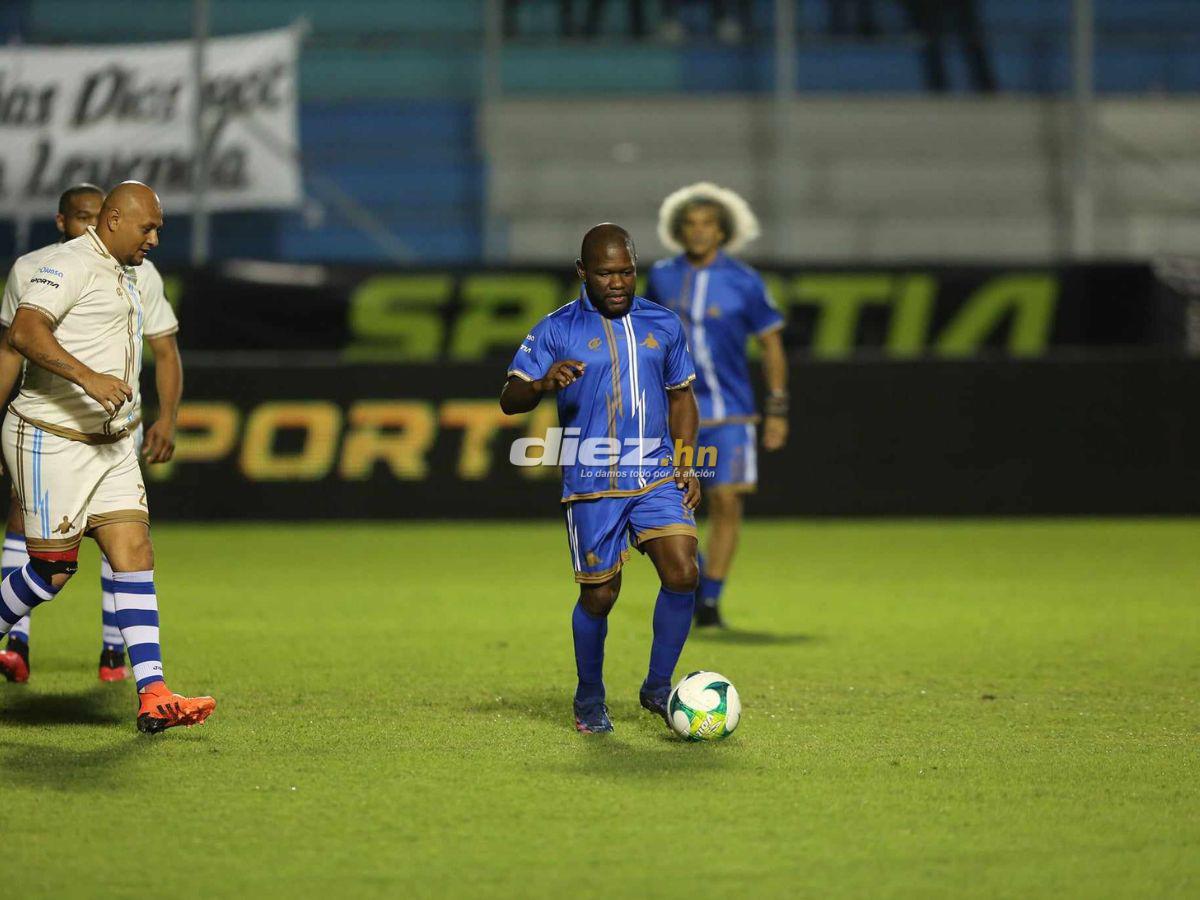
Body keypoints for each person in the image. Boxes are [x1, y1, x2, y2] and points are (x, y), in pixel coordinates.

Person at [0, 181, 213, 733]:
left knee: (134, 549)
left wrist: (156, 413)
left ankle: (154, 691)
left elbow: (162, 349)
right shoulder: (66, 264)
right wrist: (87, 376)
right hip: (52, 437)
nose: (156, 238)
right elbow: (23, 332)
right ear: (113, 220)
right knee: (52, 569)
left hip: (114, 442)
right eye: (148, 227)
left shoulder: (131, 273)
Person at [500, 223, 701, 733]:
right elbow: (510, 397)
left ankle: (658, 688)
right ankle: (589, 696)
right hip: (592, 478)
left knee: (682, 571)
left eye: (627, 272)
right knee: (600, 596)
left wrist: (687, 459)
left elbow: (681, 395)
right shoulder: (557, 329)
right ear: (582, 272)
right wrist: (544, 383)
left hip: (655, 471)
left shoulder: (665, 324)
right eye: (607, 273)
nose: (618, 282)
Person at [646, 182, 789, 628]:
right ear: (680, 230)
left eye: (708, 224)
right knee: (673, 507)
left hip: (731, 413)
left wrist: (778, 409)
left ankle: (710, 601)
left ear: (722, 231)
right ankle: (696, 579)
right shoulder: (662, 275)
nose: (699, 231)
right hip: (674, 413)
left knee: (726, 500)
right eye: (690, 224)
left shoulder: (744, 281)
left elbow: (771, 347)